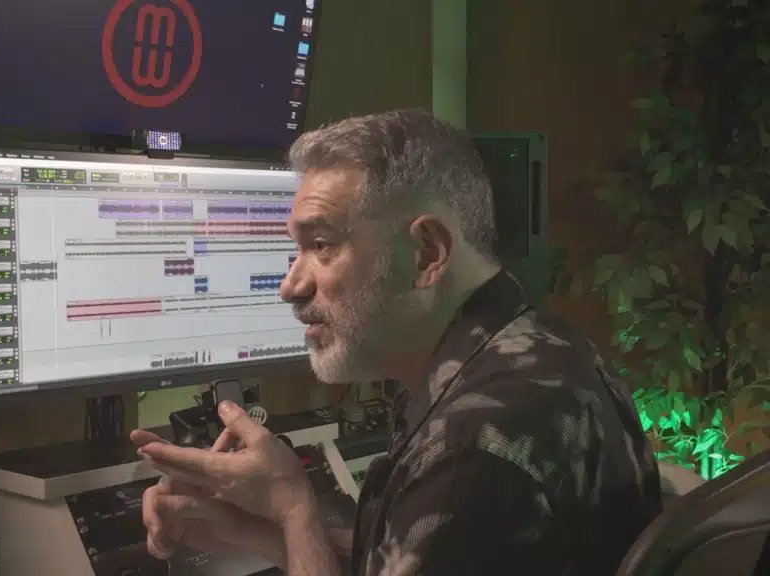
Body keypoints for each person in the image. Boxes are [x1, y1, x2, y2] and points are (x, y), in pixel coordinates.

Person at [130, 109, 663, 575]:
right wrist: (255, 531)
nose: (290, 286)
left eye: (321, 245)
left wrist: (294, 508)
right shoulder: (540, 346)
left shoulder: (471, 449)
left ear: (427, 254)